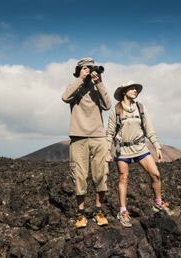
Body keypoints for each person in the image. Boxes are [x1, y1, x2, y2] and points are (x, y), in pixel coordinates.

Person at [106, 81, 173, 228]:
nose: (135, 90)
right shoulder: (116, 110)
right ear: (124, 91)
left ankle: (158, 203)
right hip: (122, 150)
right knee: (123, 178)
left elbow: (148, 128)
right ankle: (123, 211)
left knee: (155, 174)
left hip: (140, 147)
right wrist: (107, 151)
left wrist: (157, 146)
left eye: (136, 89)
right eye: (132, 88)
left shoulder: (140, 107)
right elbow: (110, 132)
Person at [62, 57, 111, 228]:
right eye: (86, 68)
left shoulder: (97, 87)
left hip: (98, 136)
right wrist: (81, 79)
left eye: (91, 68)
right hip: (78, 136)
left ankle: (99, 211)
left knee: (100, 175)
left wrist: (100, 83)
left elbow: (108, 105)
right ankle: (81, 213)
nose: (90, 71)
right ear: (80, 69)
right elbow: (65, 97)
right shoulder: (75, 86)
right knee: (80, 176)